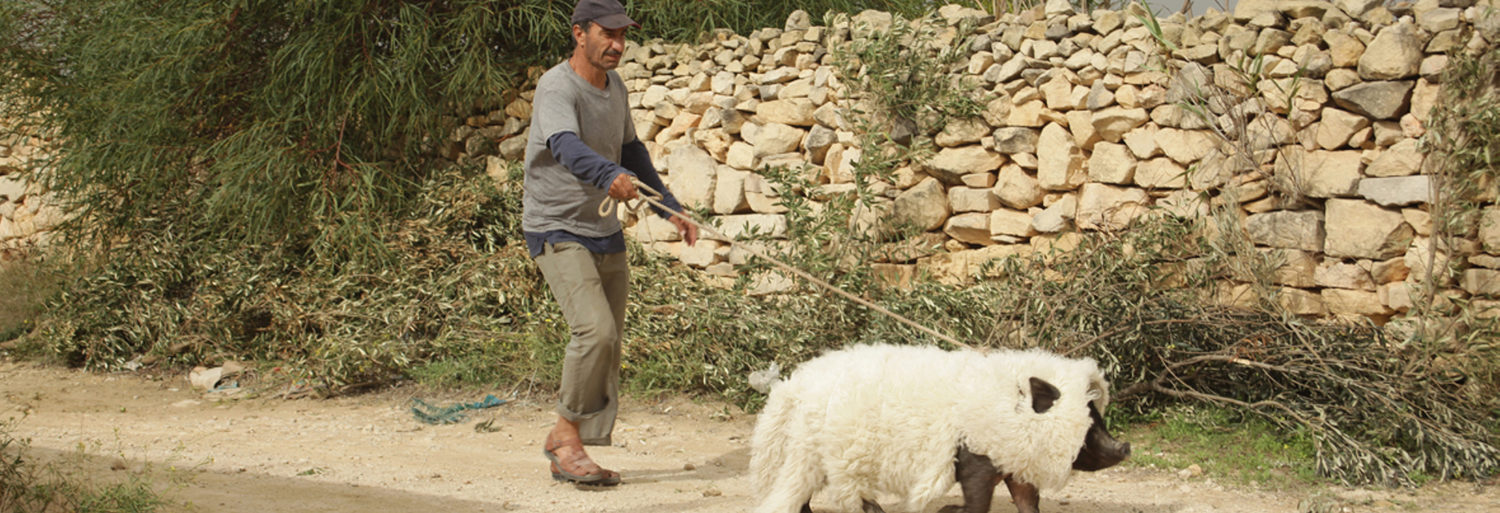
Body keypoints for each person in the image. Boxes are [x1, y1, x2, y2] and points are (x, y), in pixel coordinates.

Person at [522, 0, 698, 487]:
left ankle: (575, 442)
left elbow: (630, 150)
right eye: (608, 34)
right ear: (579, 33)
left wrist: (668, 205)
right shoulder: (556, 86)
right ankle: (565, 437)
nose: (618, 45)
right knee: (594, 332)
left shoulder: (614, 86)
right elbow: (565, 145)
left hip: (602, 230)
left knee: (610, 341)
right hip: (556, 226)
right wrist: (609, 175)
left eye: (624, 36)